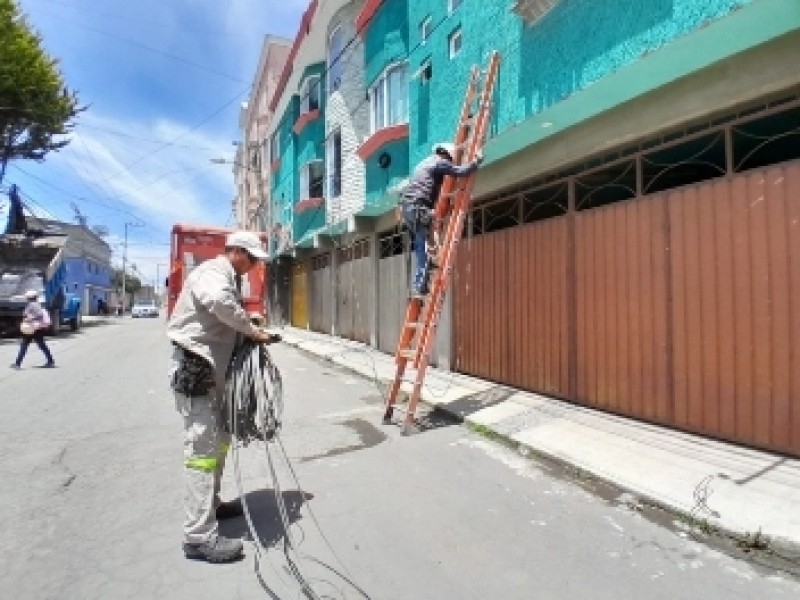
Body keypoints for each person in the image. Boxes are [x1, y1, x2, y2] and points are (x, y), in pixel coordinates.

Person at [167, 231, 278, 564]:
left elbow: (223, 314)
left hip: (213, 373)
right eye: (254, 259)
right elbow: (219, 303)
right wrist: (251, 330)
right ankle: (198, 537)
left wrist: (249, 323)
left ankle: (212, 504)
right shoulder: (214, 273)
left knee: (220, 441)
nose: (256, 265)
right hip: (196, 369)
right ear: (239, 253)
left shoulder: (226, 276)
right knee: (202, 449)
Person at [400, 142, 482, 295]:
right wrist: (475, 163)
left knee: (419, 245)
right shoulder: (440, 162)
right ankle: (425, 275)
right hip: (419, 207)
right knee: (425, 243)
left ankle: (419, 283)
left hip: (408, 208)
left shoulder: (423, 163)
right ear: (447, 155)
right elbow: (460, 171)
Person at [10, 290, 55, 369]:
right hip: (34, 328)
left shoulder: (33, 305)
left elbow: (39, 315)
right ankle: (50, 361)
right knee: (40, 345)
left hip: (33, 328)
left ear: (29, 297)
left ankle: (17, 364)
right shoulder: (35, 304)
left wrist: (30, 319)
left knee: (25, 345)